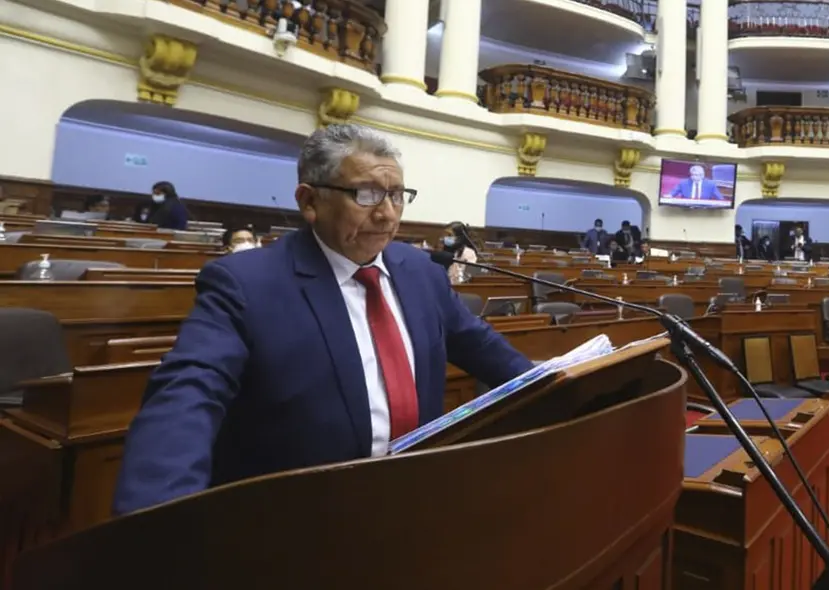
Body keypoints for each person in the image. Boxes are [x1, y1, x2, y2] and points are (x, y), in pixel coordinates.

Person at [113, 124, 534, 515]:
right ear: (309, 201)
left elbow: (482, 347)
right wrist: (157, 525)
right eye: (366, 194)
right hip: (304, 521)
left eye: (397, 194)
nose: (388, 214)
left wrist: (562, 385)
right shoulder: (245, 284)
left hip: (414, 501)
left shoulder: (420, 271)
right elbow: (186, 395)